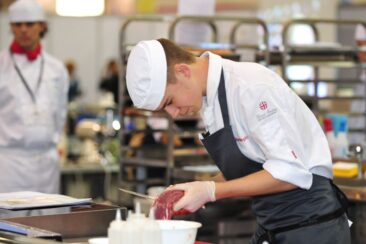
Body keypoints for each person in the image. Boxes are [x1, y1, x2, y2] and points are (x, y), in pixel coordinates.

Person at [126, 38, 351, 243]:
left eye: (170, 101)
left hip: (312, 229)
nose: (173, 114)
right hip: (274, 227)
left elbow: (289, 172)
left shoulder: (251, 86)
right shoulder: (211, 98)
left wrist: (211, 190)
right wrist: (192, 190)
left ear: (183, 71)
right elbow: (250, 167)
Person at [0, 0, 69, 194]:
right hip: (9, 165)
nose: (23, 30)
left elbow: (61, 113)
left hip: (47, 164)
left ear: (42, 26)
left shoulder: (56, 68)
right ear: (11, 28)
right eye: (17, 24)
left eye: (29, 24)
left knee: (47, 221)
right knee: (8, 222)